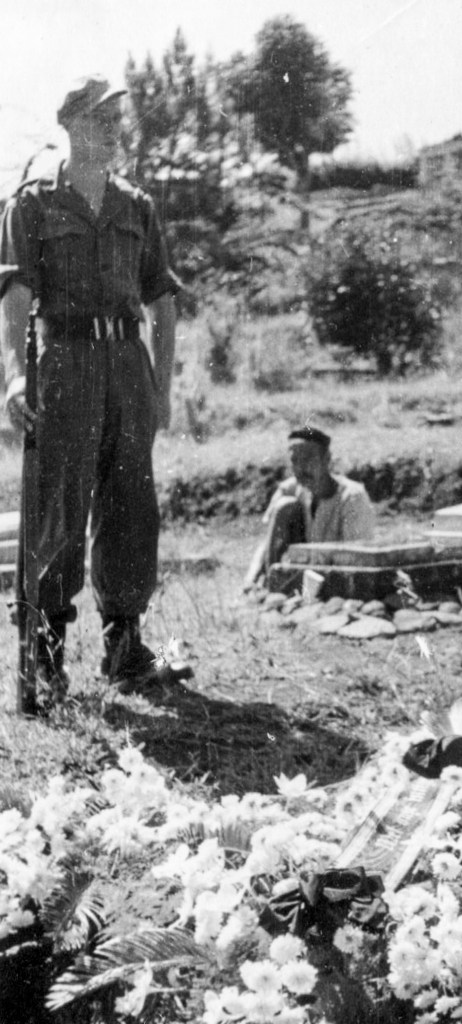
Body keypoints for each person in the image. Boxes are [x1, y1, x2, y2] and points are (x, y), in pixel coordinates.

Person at [0, 74, 189, 705]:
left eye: (116, 121)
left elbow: (163, 300)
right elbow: (15, 299)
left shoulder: (136, 205)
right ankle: (46, 657)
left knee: (132, 506)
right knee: (58, 508)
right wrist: (15, 375)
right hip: (64, 362)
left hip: (127, 367)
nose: (112, 131)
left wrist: (162, 387)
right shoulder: (32, 204)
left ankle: (125, 649)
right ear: (72, 126)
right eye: (99, 120)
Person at [244, 427, 375, 591]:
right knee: (285, 506)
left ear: (326, 459)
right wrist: (250, 581)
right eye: (295, 461)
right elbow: (267, 542)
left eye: (308, 459)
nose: (301, 468)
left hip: (339, 580)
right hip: (302, 577)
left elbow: (358, 558)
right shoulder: (290, 489)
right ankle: (271, 588)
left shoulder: (352, 497)